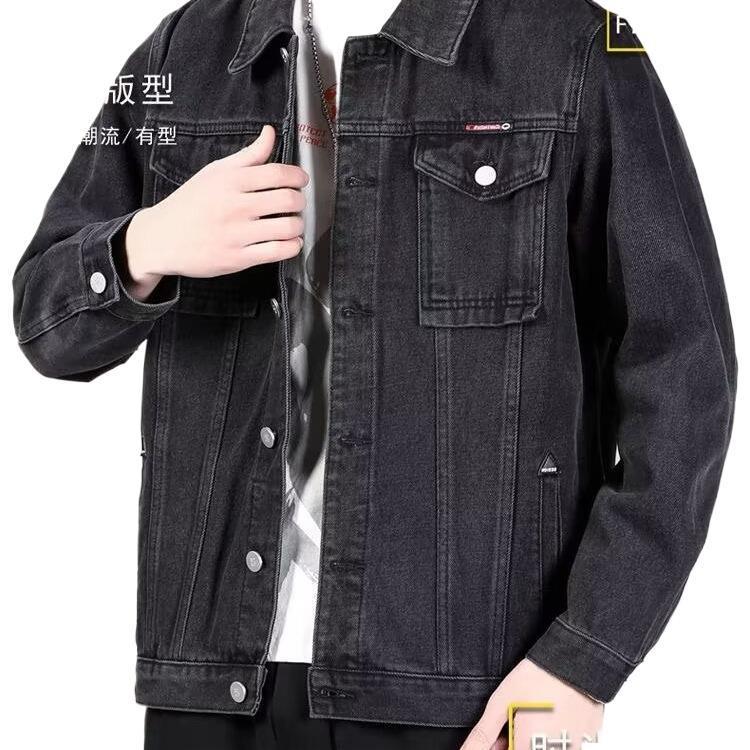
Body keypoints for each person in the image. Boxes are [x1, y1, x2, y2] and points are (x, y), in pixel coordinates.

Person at [11, 0, 737, 748]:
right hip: (210, 685)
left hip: (474, 692)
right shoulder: (182, 52)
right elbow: (44, 324)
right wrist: (143, 245)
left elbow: (686, 377)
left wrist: (582, 661)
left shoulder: (577, 46)